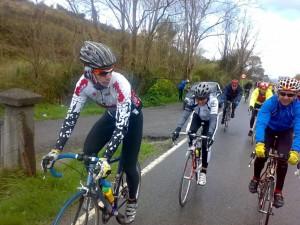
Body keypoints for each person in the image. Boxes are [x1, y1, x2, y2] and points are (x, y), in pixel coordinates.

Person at [41, 41, 143, 223]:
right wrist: (56, 150)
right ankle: (102, 194)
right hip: (111, 115)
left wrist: (106, 158)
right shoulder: (83, 85)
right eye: (102, 72)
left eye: (111, 70)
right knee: (88, 152)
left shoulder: (120, 83)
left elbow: (122, 128)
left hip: (132, 119)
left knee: (129, 164)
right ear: (89, 71)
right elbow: (71, 118)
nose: (108, 75)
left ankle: (132, 201)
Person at [248, 77, 300, 208]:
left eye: (290, 94)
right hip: (269, 130)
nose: (286, 97)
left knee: (283, 160)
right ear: (278, 93)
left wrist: (296, 150)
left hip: (285, 133)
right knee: (262, 154)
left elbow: (299, 129)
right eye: (283, 93)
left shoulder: (298, 107)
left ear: (295, 95)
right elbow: (261, 123)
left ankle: (278, 192)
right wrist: (259, 142)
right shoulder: (270, 103)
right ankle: (255, 178)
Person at [171, 82, 218, 185]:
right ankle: (194, 152)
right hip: (197, 117)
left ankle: (203, 173)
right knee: (190, 133)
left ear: (207, 96)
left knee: (205, 143)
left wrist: (210, 134)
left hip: (209, 120)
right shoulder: (192, 99)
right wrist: (177, 129)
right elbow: (185, 116)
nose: (200, 101)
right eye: (198, 99)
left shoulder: (213, 101)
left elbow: (214, 120)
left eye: (202, 99)